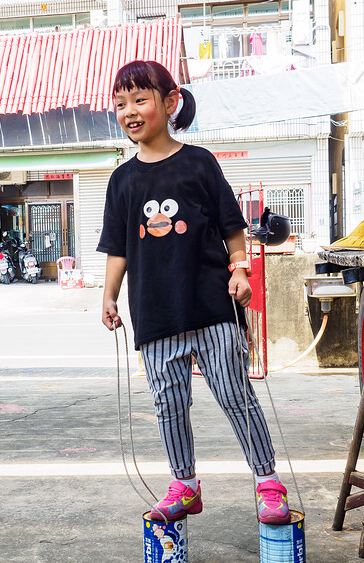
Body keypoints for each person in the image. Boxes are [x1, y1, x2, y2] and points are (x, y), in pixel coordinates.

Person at [97, 60, 290, 525]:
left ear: (170, 102)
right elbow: (118, 248)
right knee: (168, 405)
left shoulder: (199, 162)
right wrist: (109, 296)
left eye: (139, 100)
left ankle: (268, 484)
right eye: (120, 104)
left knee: (235, 395)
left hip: (211, 307)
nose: (129, 112)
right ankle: (184, 487)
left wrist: (240, 271)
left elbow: (232, 228)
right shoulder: (121, 180)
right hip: (154, 315)